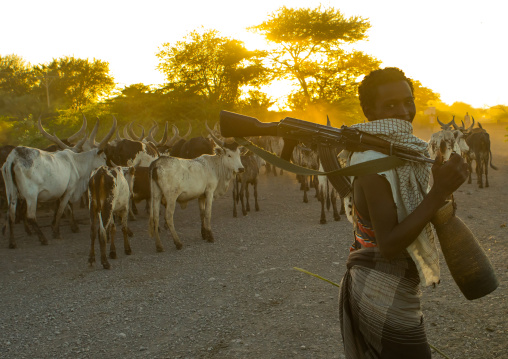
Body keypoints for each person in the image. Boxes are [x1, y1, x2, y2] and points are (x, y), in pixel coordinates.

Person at [338, 67, 469, 358]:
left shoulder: (402, 152)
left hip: (394, 286)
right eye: (390, 105)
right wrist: (437, 193)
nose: (403, 111)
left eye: (408, 101)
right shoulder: (373, 163)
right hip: (380, 291)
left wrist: (442, 189)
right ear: (369, 110)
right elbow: (389, 245)